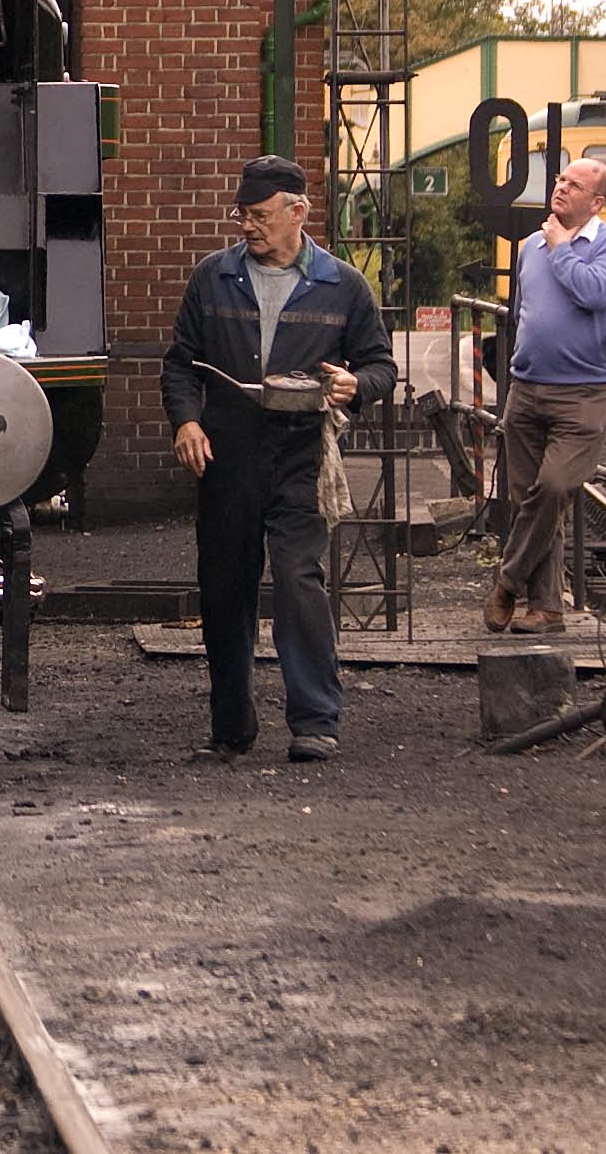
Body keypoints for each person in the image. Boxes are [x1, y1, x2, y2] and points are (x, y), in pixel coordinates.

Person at [160, 155, 398, 764]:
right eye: (243, 215)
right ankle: (230, 728)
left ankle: (316, 721)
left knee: (298, 581)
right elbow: (181, 363)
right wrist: (186, 420)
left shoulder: (343, 285)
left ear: (299, 211)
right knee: (224, 589)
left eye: (262, 216)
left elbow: (380, 366)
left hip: (301, 457)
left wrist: (355, 385)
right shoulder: (213, 278)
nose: (249, 227)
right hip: (226, 454)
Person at [489, 155, 606, 635]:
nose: (561, 188)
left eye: (574, 185)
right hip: (528, 387)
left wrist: (560, 248)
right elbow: (522, 310)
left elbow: (594, 293)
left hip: (585, 391)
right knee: (530, 499)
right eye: (560, 180)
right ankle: (547, 609)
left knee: (553, 488)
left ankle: (507, 583)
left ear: (596, 202)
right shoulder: (531, 247)